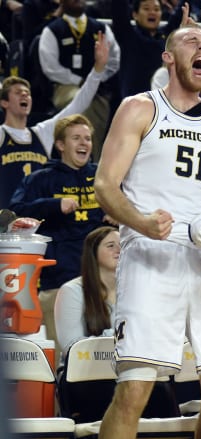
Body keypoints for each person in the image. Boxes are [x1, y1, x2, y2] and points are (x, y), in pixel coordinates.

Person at [93, 25, 201, 439]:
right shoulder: (139, 107)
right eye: (192, 42)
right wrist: (141, 223)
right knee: (135, 391)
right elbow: (104, 185)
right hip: (152, 254)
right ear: (168, 58)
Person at [10, 114, 110, 354]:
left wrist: (117, 214)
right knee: (65, 358)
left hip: (103, 284)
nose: (84, 143)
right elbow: (15, 214)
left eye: (87, 138)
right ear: (61, 145)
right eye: (76, 138)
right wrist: (54, 205)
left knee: (105, 356)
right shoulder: (40, 179)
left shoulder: (103, 177)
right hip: (58, 283)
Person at [0, 32, 108, 208]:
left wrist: (98, 69)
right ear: (4, 102)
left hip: (37, 218)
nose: (25, 96)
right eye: (18, 93)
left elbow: (78, 104)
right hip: (4, 216)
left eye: (27, 93)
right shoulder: (2, 134)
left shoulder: (42, 132)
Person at [38, 0, 121, 157]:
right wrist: (79, 80)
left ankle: (93, 159)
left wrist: (97, 79)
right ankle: (88, 159)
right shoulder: (52, 30)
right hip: (65, 86)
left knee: (102, 105)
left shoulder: (100, 28)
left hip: (98, 87)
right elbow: (50, 67)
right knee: (83, 101)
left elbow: (114, 60)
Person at [54, 226, 118, 360]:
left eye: (123, 245)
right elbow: (72, 347)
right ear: (93, 252)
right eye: (111, 245)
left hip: (127, 369)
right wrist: (119, 336)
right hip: (87, 373)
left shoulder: (133, 290)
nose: (119, 250)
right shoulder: (72, 291)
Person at [111, 0, 185, 99]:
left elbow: (181, 11)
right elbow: (118, 8)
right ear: (135, 15)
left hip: (163, 104)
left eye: (156, 9)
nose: (152, 12)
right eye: (146, 8)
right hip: (134, 105)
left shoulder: (167, 36)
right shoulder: (127, 35)